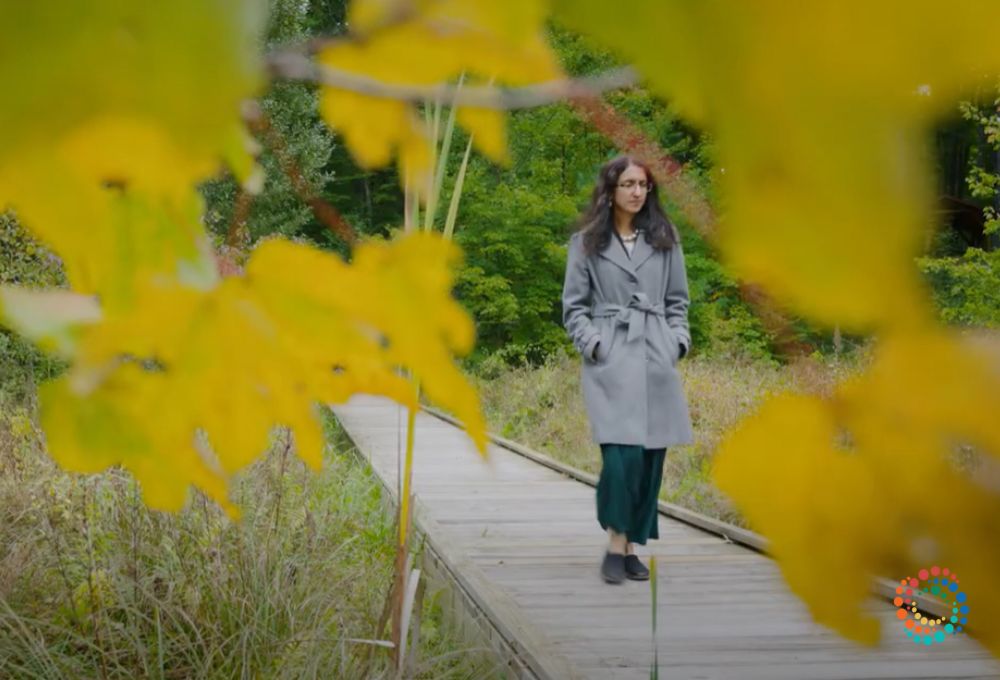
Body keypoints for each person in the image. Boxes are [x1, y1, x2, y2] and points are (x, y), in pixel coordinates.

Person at [561, 155, 694, 584]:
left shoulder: (665, 239)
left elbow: (678, 301)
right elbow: (573, 308)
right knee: (620, 457)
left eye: (644, 184)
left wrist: (677, 341)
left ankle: (629, 545)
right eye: (629, 184)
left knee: (650, 458)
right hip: (612, 352)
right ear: (611, 190)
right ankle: (617, 540)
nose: (637, 192)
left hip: (656, 353)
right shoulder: (586, 244)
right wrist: (595, 344)